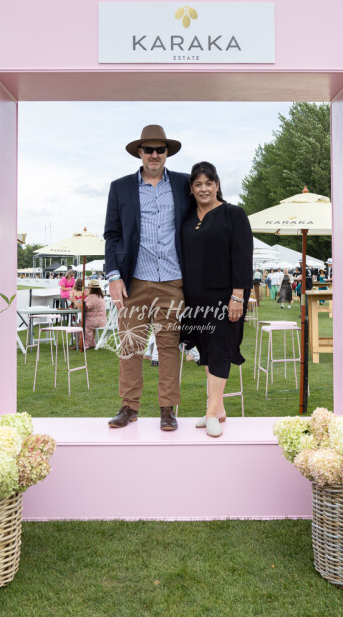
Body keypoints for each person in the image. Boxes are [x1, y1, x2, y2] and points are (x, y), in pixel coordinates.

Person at [104, 125, 192, 431]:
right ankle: (129, 407)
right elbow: (112, 235)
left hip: (173, 280)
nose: (154, 155)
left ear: (167, 153)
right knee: (131, 345)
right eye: (149, 150)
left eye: (160, 150)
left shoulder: (184, 184)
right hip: (134, 282)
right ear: (139, 153)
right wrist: (114, 276)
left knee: (168, 347)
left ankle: (167, 409)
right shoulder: (120, 187)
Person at [181, 162, 253, 438]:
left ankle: (211, 413)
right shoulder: (187, 218)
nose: (203, 189)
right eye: (198, 184)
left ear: (217, 185)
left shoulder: (234, 214)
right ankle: (219, 409)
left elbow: (243, 258)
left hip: (225, 297)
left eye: (208, 184)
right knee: (208, 353)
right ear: (191, 188)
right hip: (194, 299)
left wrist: (238, 296)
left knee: (221, 349)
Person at [73, 280, 107, 348]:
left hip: (94, 321)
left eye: (88, 288)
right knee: (82, 323)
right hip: (102, 320)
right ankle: (89, 342)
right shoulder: (100, 296)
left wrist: (74, 301)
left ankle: (83, 344)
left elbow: (83, 307)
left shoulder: (92, 297)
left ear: (91, 288)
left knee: (78, 325)